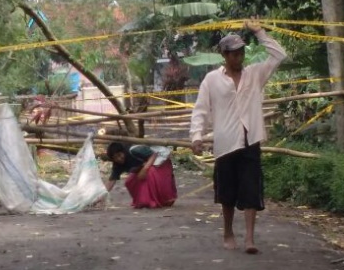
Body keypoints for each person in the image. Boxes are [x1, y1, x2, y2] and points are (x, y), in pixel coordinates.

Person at [190, 18, 286, 254]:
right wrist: (196, 136)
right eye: (233, 54)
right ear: (224, 55)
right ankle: (228, 232)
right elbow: (200, 109)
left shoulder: (255, 74)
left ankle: (250, 239)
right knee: (227, 193)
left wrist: (260, 32)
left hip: (250, 139)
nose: (238, 57)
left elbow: (279, 55)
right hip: (225, 142)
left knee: (252, 189)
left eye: (241, 52)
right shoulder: (212, 80)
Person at [104, 141, 177, 209]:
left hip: (160, 161)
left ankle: (163, 199)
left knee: (150, 173)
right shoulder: (117, 165)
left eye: (119, 155)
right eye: (115, 158)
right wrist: (101, 196)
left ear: (123, 151)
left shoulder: (134, 150)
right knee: (130, 181)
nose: (119, 159)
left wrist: (145, 169)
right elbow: (111, 181)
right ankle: (144, 201)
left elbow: (153, 154)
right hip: (145, 166)